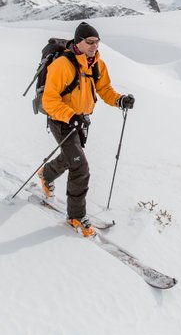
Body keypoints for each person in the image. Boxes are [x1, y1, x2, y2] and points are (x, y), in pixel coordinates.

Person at [38, 21, 135, 237]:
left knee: (71, 157)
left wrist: (120, 100)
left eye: (97, 42)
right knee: (80, 166)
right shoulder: (62, 65)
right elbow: (50, 100)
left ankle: (46, 174)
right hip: (61, 120)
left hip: (80, 121)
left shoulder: (97, 64)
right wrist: (71, 116)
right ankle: (75, 216)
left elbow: (105, 89)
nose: (94, 46)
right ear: (78, 41)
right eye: (90, 42)